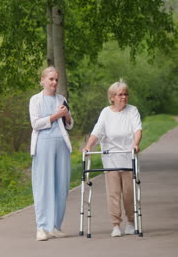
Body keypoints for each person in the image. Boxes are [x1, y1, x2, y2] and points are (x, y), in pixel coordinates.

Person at [83, 79, 142, 237]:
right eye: (120, 94)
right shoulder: (106, 113)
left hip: (128, 157)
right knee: (113, 193)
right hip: (111, 159)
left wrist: (135, 144)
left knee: (129, 193)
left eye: (125, 94)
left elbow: (137, 129)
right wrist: (88, 146)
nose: (123, 97)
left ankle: (131, 222)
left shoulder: (132, 111)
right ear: (112, 97)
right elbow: (97, 131)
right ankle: (115, 225)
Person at [29, 66, 73, 241]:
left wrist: (67, 116)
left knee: (61, 185)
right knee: (43, 185)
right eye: (51, 79)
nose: (54, 82)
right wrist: (56, 115)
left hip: (61, 144)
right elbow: (36, 124)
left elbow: (69, 124)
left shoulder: (61, 98)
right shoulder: (35, 100)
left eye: (56, 80)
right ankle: (42, 227)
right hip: (43, 144)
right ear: (42, 80)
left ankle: (55, 226)